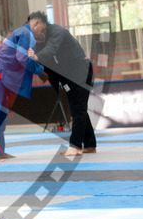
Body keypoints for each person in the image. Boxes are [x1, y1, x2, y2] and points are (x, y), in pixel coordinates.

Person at [0, 16, 45, 162]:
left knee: (0, 116)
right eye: (42, 29)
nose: (42, 33)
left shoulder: (23, 35)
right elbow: (22, 58)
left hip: (1, 76)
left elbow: (23, 58)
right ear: (36, 23)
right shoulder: (25, 33)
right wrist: (40, 71)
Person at [27, 11, 96, 156]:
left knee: (78, 108)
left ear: (39, 23)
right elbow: (43, 65)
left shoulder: (57, 31)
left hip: (81, 70)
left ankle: (75, 146)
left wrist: (36, 57)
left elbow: (50, 50)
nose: (31, 30)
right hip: (68, 77)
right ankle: (90, 145)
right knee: (78, 109)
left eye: (32, 26)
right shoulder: (40, 42)